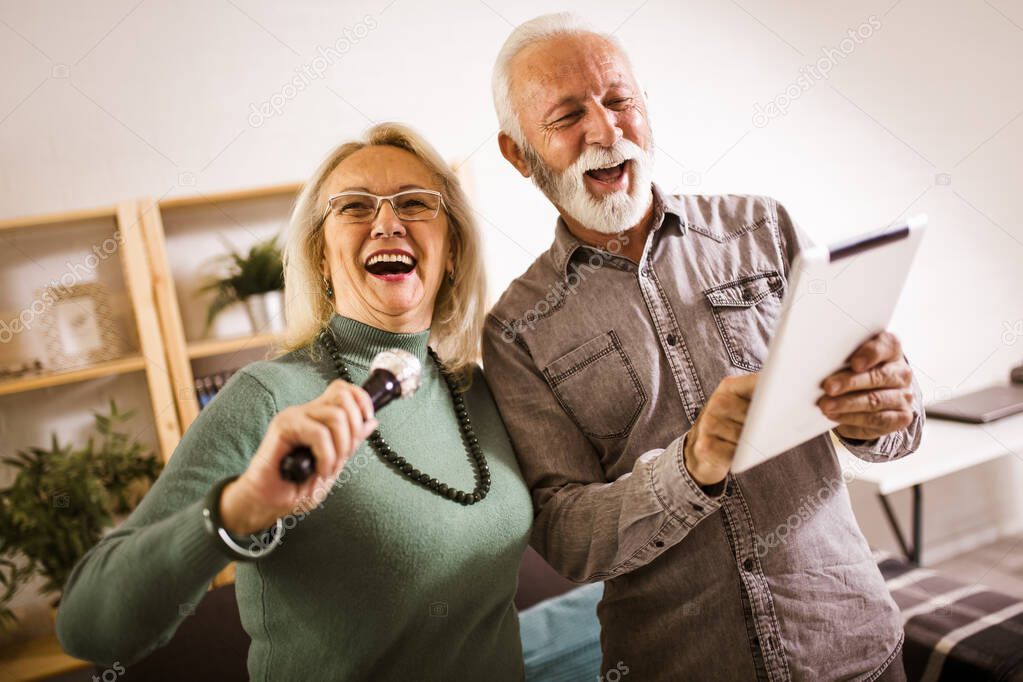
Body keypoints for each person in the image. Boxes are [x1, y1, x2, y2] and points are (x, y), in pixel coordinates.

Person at [482, 13, 922, 681]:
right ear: (519, 155)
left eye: (619, 99)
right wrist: (690, 466)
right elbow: (567, 534)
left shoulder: (763, 228)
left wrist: (884, 415)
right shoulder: (515, 331)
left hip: (851, 647)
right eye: (568, 115)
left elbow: (891, 430)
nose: (606, 131)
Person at [57, 123, 533, 680]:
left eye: (413, 202)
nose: (386, 221)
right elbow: (87, 626)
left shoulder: (480, 388)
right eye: (354, 207)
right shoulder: (267, 397)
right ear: (323, 260)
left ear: (451, 250)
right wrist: (238, 510)